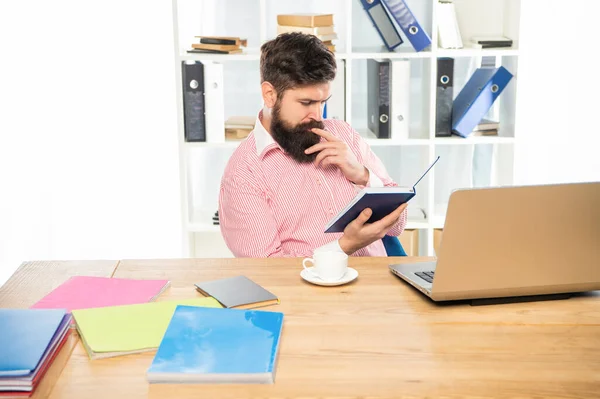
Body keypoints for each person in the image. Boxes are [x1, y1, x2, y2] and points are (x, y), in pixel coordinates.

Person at [219, 32, 407, 258]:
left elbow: (398, 225)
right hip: (307, 293)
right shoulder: (243, 174)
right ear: (269, 94)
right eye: (306, 103)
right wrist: (346, 246)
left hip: (377, 284)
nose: (317, 115)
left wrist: (362, 174)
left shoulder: (343, 134)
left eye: (322, 102)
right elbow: (267, 272)